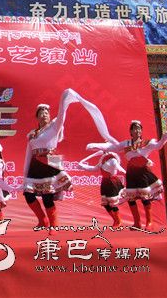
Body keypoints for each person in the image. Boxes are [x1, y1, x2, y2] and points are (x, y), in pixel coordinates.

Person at [23, 89, 116, 231]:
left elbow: (62, 114)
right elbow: (28, 155)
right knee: (28, 194)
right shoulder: (32, 134)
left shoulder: (54, 126)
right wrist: (25, 174)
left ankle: (53, 225)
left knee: (48, 196)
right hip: (35, 165)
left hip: (50, 162)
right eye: (41, 112)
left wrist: (64, 99)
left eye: (47, 112)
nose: (45, 114)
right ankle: (42, 220)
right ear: (37, 117)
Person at [87, 120, 167, 230]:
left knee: (145, 197)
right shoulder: (126, 144)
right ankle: (137, 223)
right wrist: (96, 146)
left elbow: (158, 146)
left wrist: (165, 138)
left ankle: (149, 222)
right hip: (131, 173)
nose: (137, 130)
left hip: (143, 173)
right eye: (135, 128)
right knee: (131, 198)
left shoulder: (147, 143)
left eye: (139, 128)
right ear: (131, 131)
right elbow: (113, 148)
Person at [77, 151, 126, 227]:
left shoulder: (113, 160)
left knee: (112, 203)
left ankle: (118, 220)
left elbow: (119, 168)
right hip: (105, 183)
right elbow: (94, 168)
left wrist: (126, 173)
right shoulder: (103, 160)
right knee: (106, 204)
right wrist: (82, 166)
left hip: (112, 182)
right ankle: (115, 219)